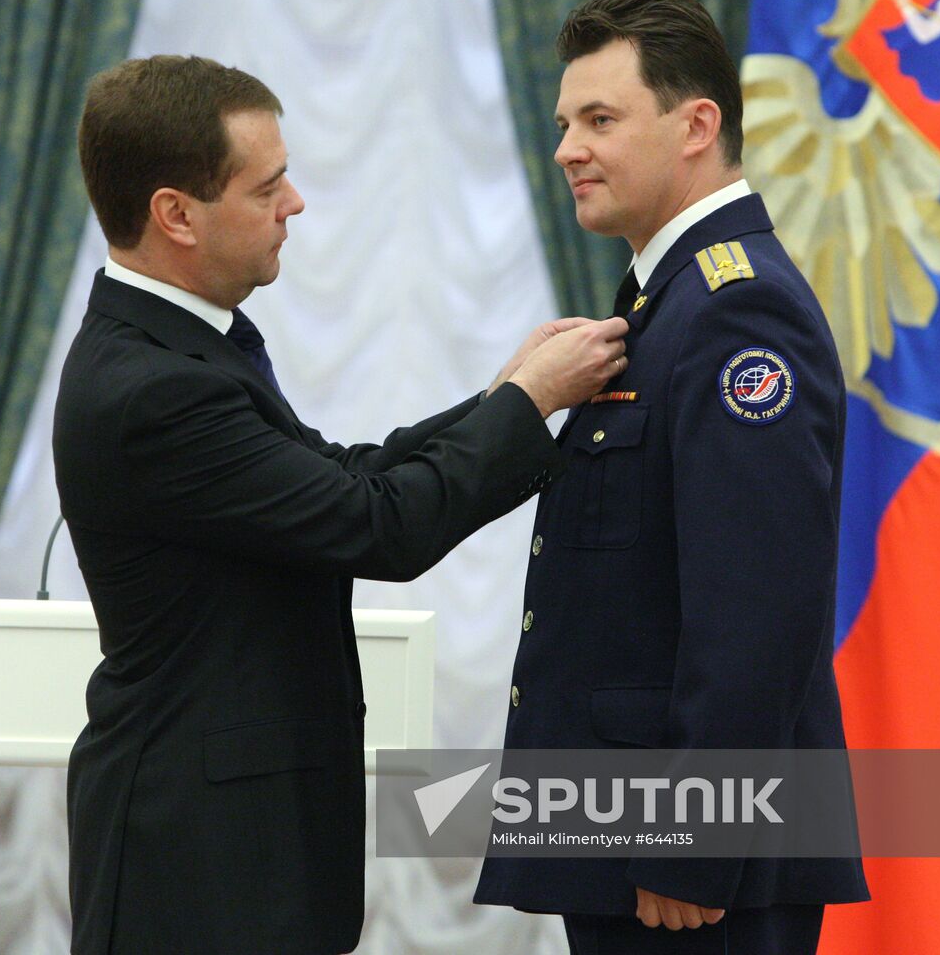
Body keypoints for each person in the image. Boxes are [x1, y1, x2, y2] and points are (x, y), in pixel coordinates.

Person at [53, 54, 628, 955]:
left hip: (239, 836)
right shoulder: (153, 388)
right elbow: (377, 526)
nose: (296, 204)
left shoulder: (186, 345)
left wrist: (503, 393)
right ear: (177, 215)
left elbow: (341, 477)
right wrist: (533, 404)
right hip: (199, 859)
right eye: (268, 184)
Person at [473, 0, 870, 954]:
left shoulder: (738, 311)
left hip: (691, 859)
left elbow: (758, 610)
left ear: (697, 125)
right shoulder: (672, 298)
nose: (566, 147)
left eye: (599, 120)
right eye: (565, 122)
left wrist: (693, 838)